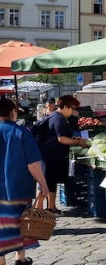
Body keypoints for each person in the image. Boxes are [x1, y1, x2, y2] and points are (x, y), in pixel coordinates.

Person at [0, 97, 50, 265]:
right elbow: (33, 164)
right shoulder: (21, 133)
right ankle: (20, 258)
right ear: (13, 112)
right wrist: (43, 185)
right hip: (19, 188)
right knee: (21, 223)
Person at [39, 95, 89, 213]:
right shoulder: (58, 118)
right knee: (48, 183)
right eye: (72, 109)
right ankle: (42, 211)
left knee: (51, 182)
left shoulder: (55, 117)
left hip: (52, 155)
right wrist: (78, 142)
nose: (73, 112)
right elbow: (62, 139)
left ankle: (52, 207)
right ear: (66, 107)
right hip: (51, 156)